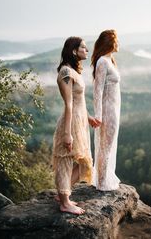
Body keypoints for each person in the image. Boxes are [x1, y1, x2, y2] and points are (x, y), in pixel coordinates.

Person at [52, 36, 99, 215]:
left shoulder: (74, 72)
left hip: (80, 122)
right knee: (66, 160)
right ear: (74, 51)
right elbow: (69, 104)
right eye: (84, 48)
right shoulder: (65, 72)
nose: (87, 51)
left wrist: (89, 118)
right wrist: (67, 134)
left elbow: (79, 102)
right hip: (70, 123)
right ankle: (64, 203)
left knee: (85, 162)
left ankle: (63, 195)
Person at [91, 29, 121, 191]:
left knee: (108, 145)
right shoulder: (103, 61)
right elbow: (97, 90)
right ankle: (102, 183)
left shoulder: (109, 60)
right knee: (105, 147)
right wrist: (98, 114)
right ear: (110, 43)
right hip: (108, 111)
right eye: (116, 41)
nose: (118, 44)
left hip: (113, 109)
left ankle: (104, 179)